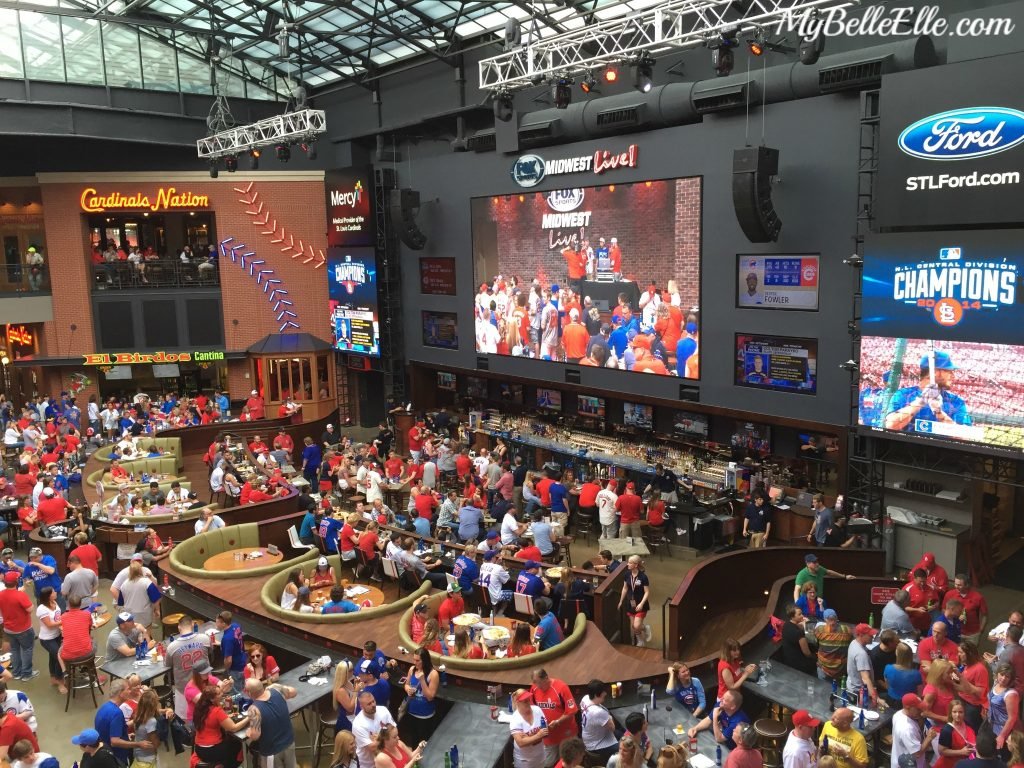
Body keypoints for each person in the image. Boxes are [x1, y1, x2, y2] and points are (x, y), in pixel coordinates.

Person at [885, 352, 971, 433]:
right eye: (949, 371)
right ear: (935, 372)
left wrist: (939, 413)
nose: (953, 376)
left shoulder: (956, 401)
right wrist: (921, 401)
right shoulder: (903, 394)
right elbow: (890, 426)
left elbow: (965, 436)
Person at [245, 678, 299, 768]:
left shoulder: (253, 709)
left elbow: (255, 736)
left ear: (249, 693)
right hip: (289, 743)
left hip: (272, 751)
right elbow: (293, 692)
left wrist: (249, 732)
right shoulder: (276, 689)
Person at [530, 668, 578, 767]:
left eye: (540, 683)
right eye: (536, 683)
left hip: (566, 735)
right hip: (549, 736)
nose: (538, 686)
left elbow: (572, 710)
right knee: (547, 763)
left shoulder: (561, 687)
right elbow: (532, 708)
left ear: (546, 678)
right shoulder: (534, 688)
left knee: (567, 762)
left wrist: (557, 721)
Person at [167, 615, 212, 720]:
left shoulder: (172, 647)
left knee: (187, 719)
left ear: (179, 627)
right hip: (205, 684)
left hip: (184, 687)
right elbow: (210, 651)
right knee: (208, 713)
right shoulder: (205, 638)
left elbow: (168, 664)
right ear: (193, 624)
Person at [192, 686, 249, 768]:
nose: (222, 694)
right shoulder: (217, 711)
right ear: (212, 699)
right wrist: (248, 718)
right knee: (239, 746)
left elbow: (210, 720)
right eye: (219, 694)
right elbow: (233, 728)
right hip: (212, 750)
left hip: (199, 749)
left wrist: (226, 716)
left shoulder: (199, 707)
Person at [95, 679, 147, 765]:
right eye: (128, 689)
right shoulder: (117, 713)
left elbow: (109, 729)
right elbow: (115, 742)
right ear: (121, 693)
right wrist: (138, 744)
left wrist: (125, 735)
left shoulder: (104, 707)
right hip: (117, 757)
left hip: (105, 753)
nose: (130, 692)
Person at [0, 571, 36, 681]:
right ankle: (27, 674)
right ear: (16, 581)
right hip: (23, 629)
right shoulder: (20, 595)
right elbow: (30, 609)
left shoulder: (1, 594)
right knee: (27, 649)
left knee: (14, 650)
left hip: (8, 629)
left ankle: (16, 673)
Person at [401, 648, 439, 745]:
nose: (415, 662)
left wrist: (422, 680)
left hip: (425, 716)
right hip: (411, 712)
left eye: (418, 660)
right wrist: (408, 689)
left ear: (425, 660)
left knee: (425, 743)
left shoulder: (433, 674)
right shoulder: (412, 669)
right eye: (414, 659)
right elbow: (406, 684)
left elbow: (430, 697)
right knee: (413, 740)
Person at [352, 691, 397, 768]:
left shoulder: (383, 710)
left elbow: (394, 731)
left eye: (373, 701)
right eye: (369, 704)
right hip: (368, 764)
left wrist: (378, 738)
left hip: (386, 757)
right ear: (361, 706)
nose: (373, 705)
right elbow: (373, 748)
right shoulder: (358, 724)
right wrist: (386, 734)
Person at [892, 693, 937, 768]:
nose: (921, 711)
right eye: (918, 709)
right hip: (907, 764)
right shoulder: (907, 729)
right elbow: (917, 753)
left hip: (903, 757)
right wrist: (929, 737)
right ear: (907, 708)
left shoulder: (898, 714)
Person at [579, 680, 618, 764]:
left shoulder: (585, 698)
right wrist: (609, 717)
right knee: (623, 749)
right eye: (603, 692)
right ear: (597, 695)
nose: (605, 694)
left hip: (589, 738)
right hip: (596, 745)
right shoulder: (598, 712)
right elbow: (612, 728)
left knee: (621, 734)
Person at [944, 575, 988, 646]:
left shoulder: (978, 597)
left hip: (972, 634)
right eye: (955, 584)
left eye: (959, 585)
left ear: (967, 585)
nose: (956, 586)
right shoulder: (949, 594)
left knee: (971, 654)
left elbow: (985, 615)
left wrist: (981, 630)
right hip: (955, 632)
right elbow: (943, 610)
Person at [618, 555, 652, 647]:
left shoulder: (643, 577)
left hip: (641, 604)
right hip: (630, 603)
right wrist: (621, 601)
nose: (627, 564)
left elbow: (647, 592)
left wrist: (641, 603)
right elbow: (625, 588)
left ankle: (645, 628)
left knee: (637, 626)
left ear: (636, 565)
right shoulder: (627, 574)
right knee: (633, 625)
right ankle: (640, 641)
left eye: (630, 563)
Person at [509, 689, 548, 768]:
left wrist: (529, 739)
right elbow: (521, 743)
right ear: (518, 702)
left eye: (528, 699)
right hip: (524, 762)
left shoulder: (537, 710)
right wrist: (538, 735)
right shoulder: (515, 719)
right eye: (525, 701)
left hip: (540, 756)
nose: (528, 702)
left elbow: (545, 732)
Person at [934, 699, 977, 768]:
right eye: (954, 712)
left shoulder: (969, 725)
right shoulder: (947, 730)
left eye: (960, 712)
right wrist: (961, 752)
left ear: (964, 713)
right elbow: (942, 751)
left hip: (964, 763)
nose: (957, 715)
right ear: (950, 713)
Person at [989, 664, 1021, 755]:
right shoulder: (996, 683)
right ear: (997, 674)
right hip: (992, 725)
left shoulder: (1011, 694)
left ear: (1011, 679)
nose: (1003, 678)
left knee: (1003, 756)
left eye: (1007, 676)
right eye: (1002, 674)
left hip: (1005, 730)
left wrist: (1002, 736)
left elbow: (1012, 718)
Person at [958, 641, 990, 731]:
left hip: (973, 707)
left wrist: (962, 681)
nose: (958, 655)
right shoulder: (966, 665)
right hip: (964, 701)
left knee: (971, 730)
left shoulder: (980, 669)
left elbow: (981, 692)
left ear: (969, 654)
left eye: (961, 652)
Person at [816, 609, 853, 682]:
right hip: (840, 670)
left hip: (823, 668)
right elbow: (851, 641)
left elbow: (817, 642)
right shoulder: (846, 630)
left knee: (822, 691)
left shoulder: (819, 630)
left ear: (825, 619)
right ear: (836, 618)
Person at [847, 623, 879, 706]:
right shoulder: (861, 654)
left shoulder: (853, 642)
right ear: (861, 635)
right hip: (859, 692)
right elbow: (865, 678)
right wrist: (875, 698)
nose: (873, 637)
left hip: (851, 685)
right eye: (870, 635)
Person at [780, 604, 816, 676]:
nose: (802, 616)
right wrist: (816, 658)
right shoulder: (798, 633)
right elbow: (807, 653)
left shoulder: (787, 625)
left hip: (788, 661)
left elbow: (800, 627)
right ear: (793, 616)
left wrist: (804, 625)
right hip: (800, 665)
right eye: (799, 614)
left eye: (802, 613)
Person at [718, 637, 757, 702]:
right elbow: (732, 687)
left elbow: (736, 672)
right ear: (727, 651)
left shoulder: (734, 659)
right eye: (734, 650)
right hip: (726, 700)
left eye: (738, 649)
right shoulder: (724, 666)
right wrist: (746, 674)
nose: (738, 652)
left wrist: (745, 669)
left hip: (735, 696)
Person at [216, 611, 246, 692]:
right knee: (244, 688)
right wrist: (221, 644)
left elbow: (228, 660)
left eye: (217, 622)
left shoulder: (227, 639)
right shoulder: (236, 626)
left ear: (223, 624)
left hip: (235, 669)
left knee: (237, 692)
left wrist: (226, 669)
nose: (216, 624)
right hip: (243, 661)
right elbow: (235, 641)